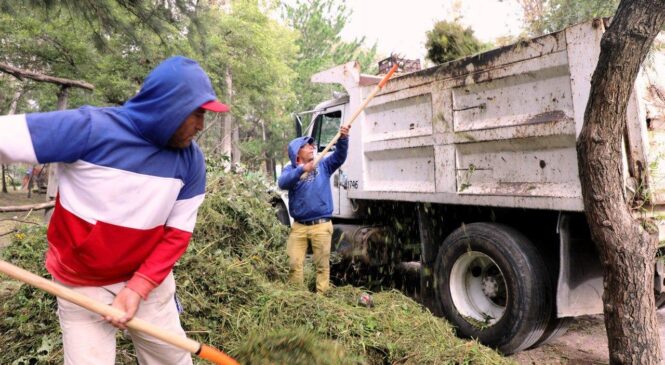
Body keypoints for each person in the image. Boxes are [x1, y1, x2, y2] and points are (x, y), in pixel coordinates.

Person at [0, 56, 229, 365]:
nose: (201, 126)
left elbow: (177, 235)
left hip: (149, 280)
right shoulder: (88, 129)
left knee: (172, 361)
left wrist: (139, 287)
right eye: (197, 113)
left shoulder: (191, 161)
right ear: (169, 106)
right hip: (81, 285)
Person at [277, 126, 350, 293]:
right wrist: (302, 169)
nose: (312, 147)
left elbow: (339, 156)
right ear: (297, 152)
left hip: (321, 225)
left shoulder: (323, 164)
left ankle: (321, 300)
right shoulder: (291, 170)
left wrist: (343, 139)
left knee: (322, 267)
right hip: (299, 227)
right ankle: (298, 298)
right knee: (294, 264)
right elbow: (282, 183)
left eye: (312, 145)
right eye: (307, 145)